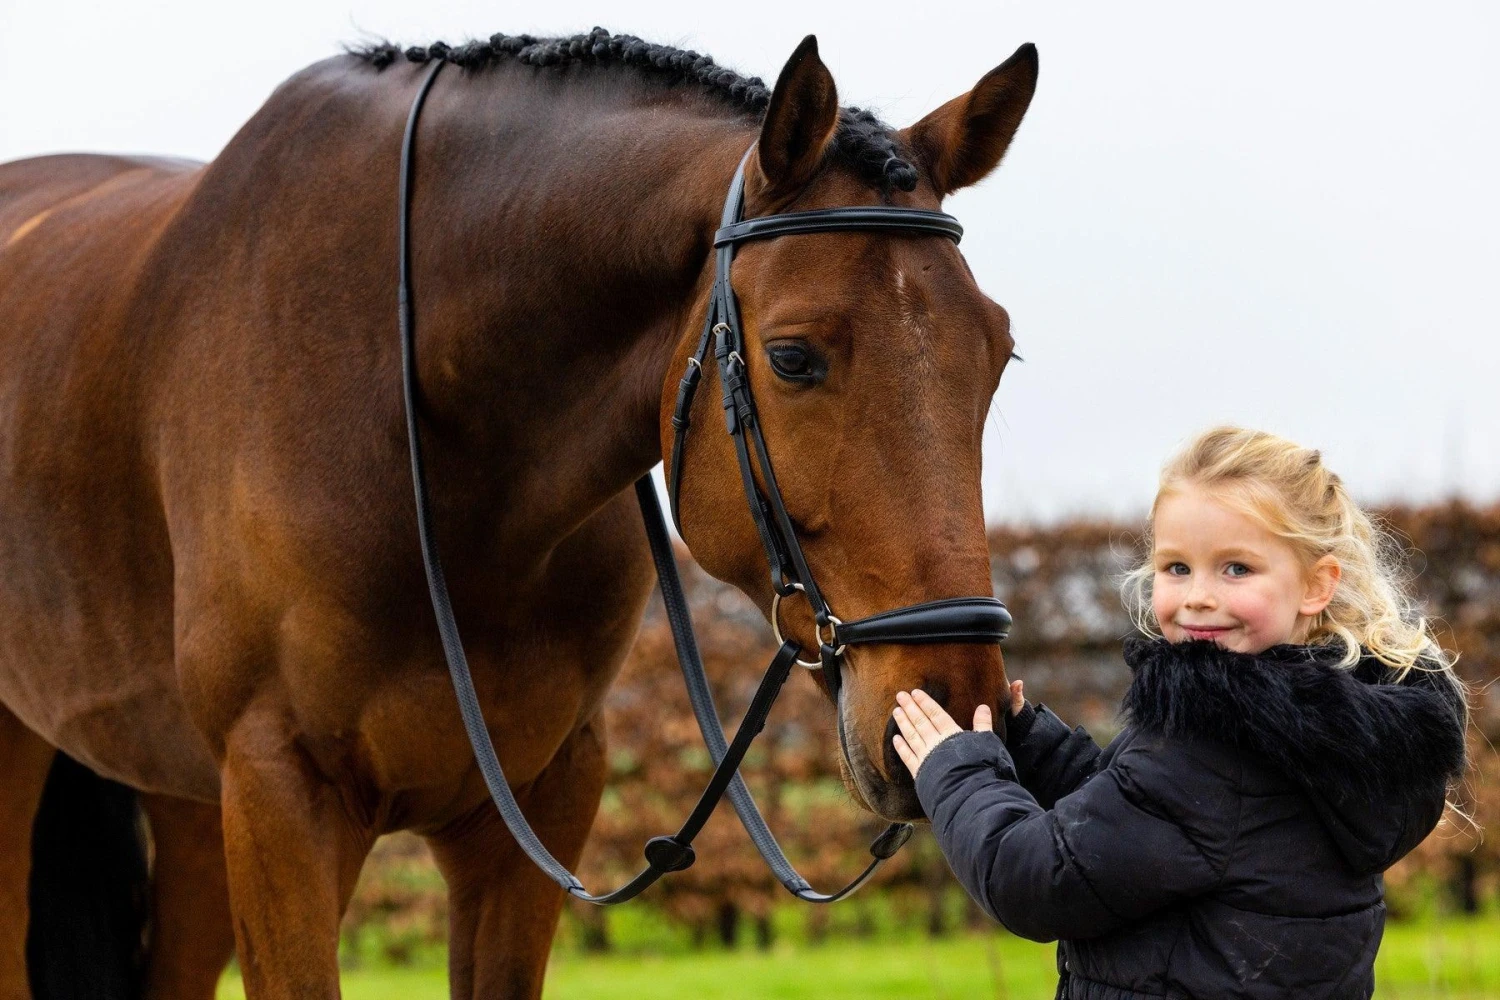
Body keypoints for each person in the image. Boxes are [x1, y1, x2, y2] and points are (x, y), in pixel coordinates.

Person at [892, 426, 1469, 1000]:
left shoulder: (1217, 745)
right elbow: (1142, 823)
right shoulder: (1327, 735)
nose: (1197, 595)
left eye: (1236, 569)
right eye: (1176, 568)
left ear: (1317, 585)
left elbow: (1035, 878)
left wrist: (959, 771)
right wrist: (1035, 748)